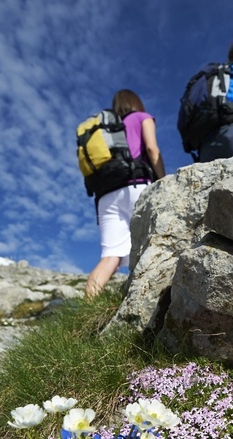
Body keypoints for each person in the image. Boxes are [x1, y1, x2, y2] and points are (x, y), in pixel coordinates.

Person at [85, 89, 165, 298]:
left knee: (110, 256)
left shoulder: (108, 131)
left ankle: (88, 304)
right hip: (136, 185)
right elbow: (152, 148)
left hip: (105, 196)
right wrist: (163, 180)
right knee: (152, 241)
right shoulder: (142, 117)